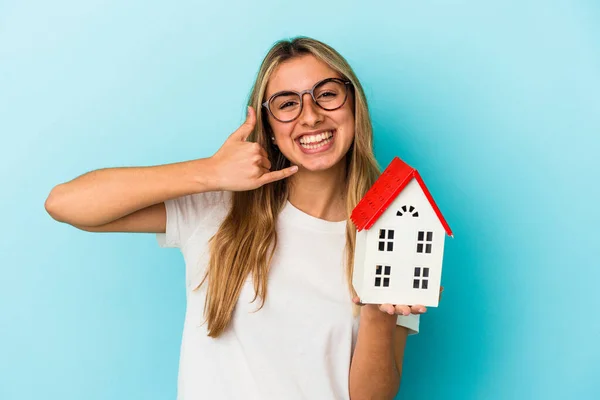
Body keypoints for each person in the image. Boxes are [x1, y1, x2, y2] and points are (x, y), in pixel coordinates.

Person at [45, 36, 441, 400]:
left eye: (327, 95)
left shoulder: (395, 234)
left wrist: (376, 313)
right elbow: (66, 203)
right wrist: (209, 173)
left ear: (354, 105)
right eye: (287, 103)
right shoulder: (219, 207)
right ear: (268, 127)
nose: (310, 116)